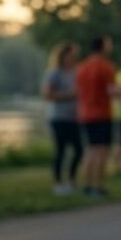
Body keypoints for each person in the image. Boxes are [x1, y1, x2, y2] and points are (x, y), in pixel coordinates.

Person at [76, 35, 117, 198]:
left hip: (85, 113)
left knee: (90, 150)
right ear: (103, 47)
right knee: (102, 151)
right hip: (102, 114)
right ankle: (99, 186)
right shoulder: (106, 67)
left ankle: (87, 185)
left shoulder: (82, 67)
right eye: (109, 45)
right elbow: (112, 91)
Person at [42, 43, 82, 195]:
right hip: (58, 118)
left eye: (74, 55)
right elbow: (48, 95)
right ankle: (58, 183)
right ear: (62, 56)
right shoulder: (54, 73)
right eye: (70, 54)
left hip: (75, 118)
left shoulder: (76, 72)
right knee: (60, 151)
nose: (72, 57)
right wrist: (69, 95)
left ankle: (71, 180)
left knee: (79, 150)